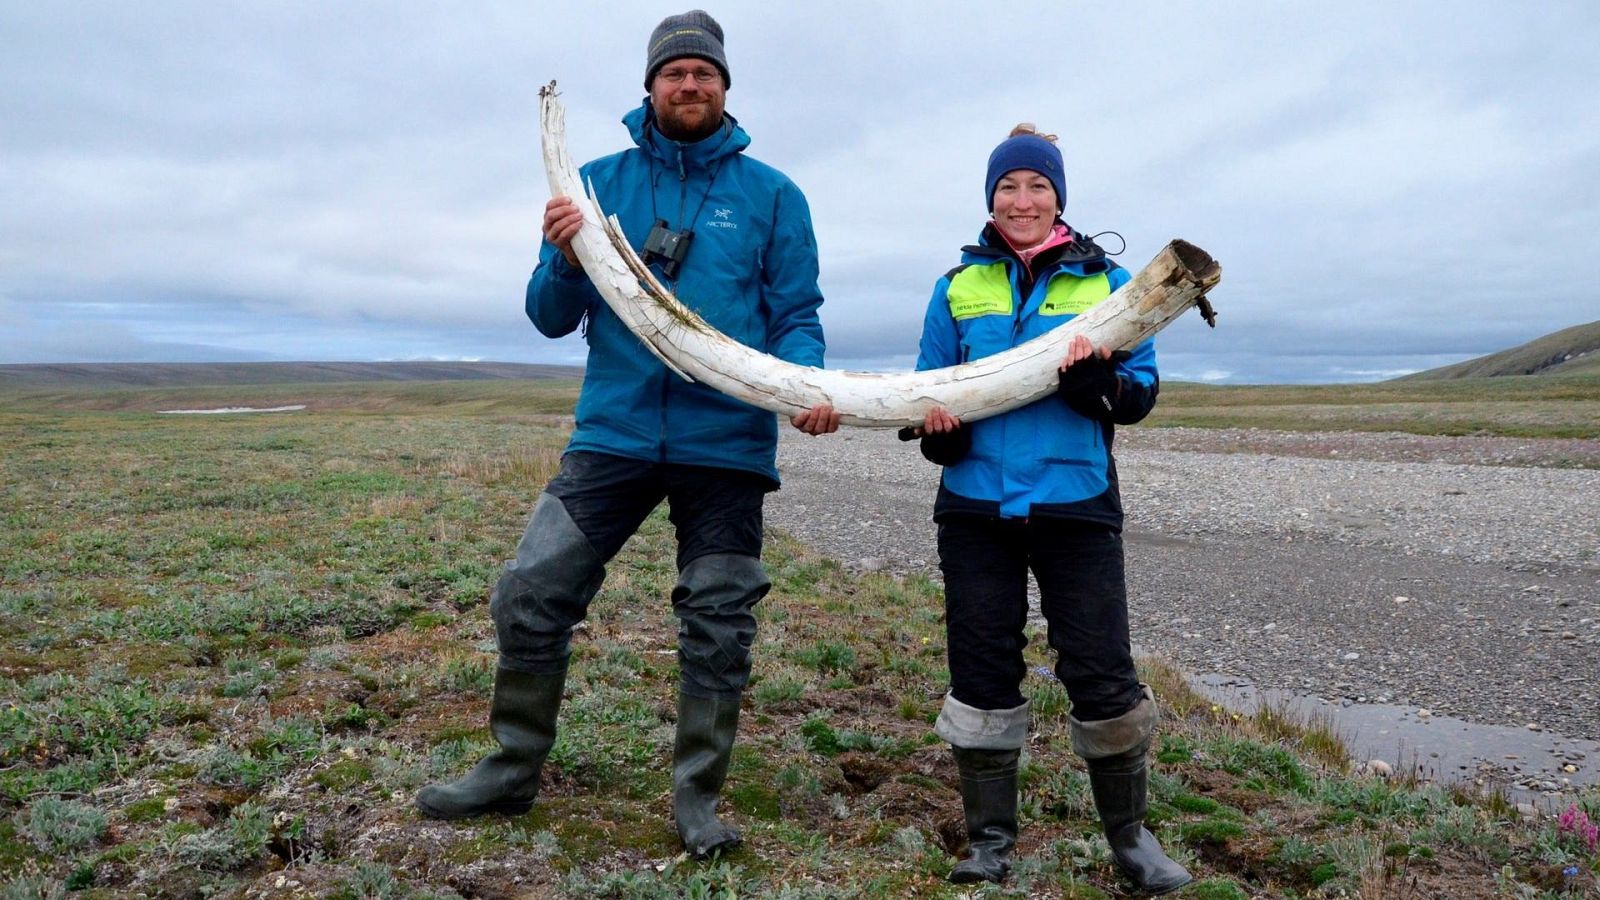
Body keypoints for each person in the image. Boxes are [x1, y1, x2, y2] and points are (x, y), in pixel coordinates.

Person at [416, 10, 840, 859]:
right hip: (611, 435)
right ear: (650, 87)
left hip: (727, 445)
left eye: (705, 74)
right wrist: (564, 256)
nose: (690, 85)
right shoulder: (596, 181)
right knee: (530, 590)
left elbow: (796, 316)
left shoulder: (774, 195)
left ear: (725, 87)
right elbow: (545, 317)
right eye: (675, 74)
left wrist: (808, 386)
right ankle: (512, 765)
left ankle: (697, 800)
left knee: (720, 619)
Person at [907, 125, 1191, 893]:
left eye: (1037, 186)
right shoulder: (955, 287)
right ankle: (989, 842)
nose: (1021, 200)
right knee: (982, 667)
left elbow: (1140, 394)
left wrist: (1096, 386)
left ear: (1059, 198)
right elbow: (928, 391)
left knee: (1101, 673)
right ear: (990, 199)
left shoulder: (1116, 286)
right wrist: (942, 437)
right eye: (1008, 188)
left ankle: (1130, 843)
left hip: (1076, 505)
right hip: (974, 507)